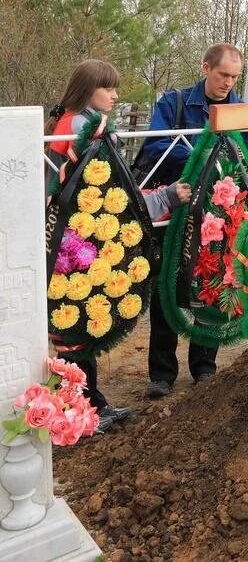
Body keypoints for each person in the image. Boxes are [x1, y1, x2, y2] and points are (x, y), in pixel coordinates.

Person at [45, 59, 192, 433]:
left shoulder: (63, 125)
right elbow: (121, 196)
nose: (115, 95)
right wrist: (167, 197)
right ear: (86, 91)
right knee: (78, 322)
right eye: (107, 88)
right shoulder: (87, 130)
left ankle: (85, 404)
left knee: (69, 323)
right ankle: (83, 411)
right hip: (78, 243)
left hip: (64, 238)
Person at [138, 43, 248, 399]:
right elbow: (155, 147)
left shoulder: (244, 111)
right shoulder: (174, 103)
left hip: (222, 214)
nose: (228, 82)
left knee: (213, 284)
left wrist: (237, 190)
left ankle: (204, 367)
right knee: (169, 285)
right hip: (177, 211)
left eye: (234, 77)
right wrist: (206, 162)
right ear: (206, 67)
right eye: (223, 74)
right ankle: (162, 374)